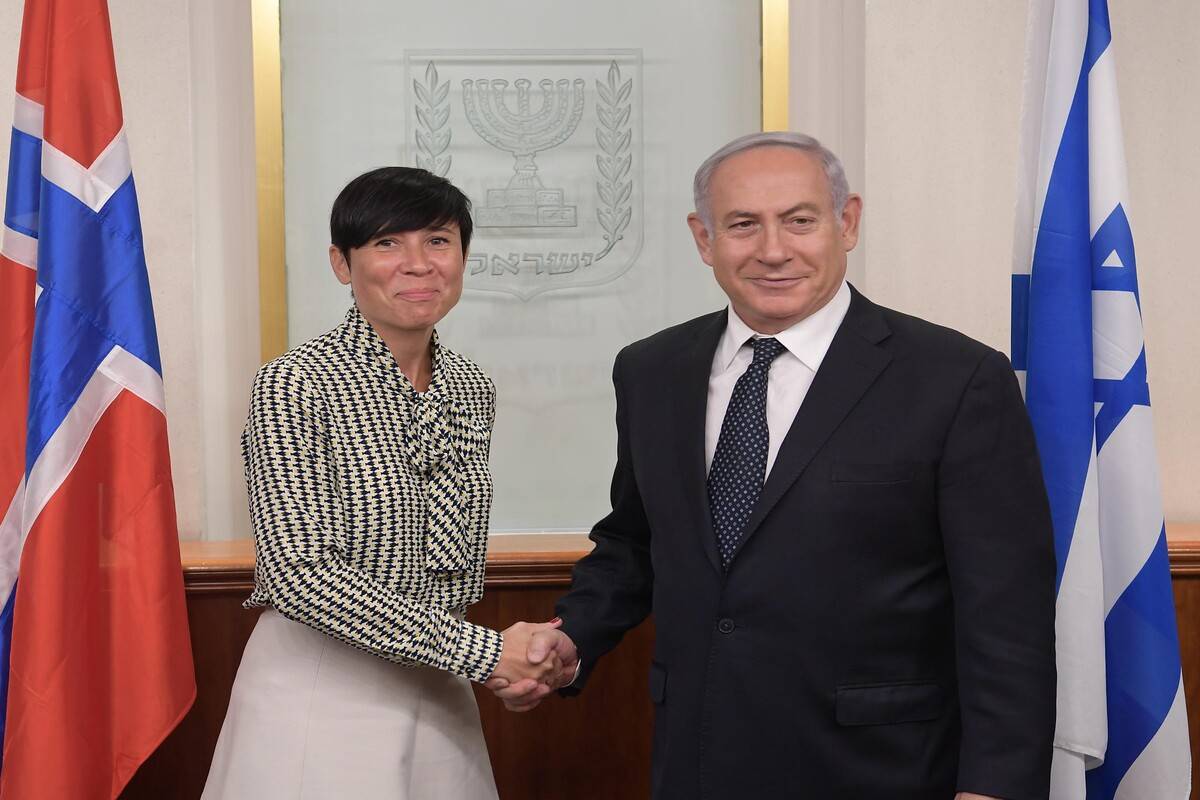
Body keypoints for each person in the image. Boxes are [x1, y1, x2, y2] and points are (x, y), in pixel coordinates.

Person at [490, 133, 1057, 799]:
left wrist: (994, 788)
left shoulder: (955, 380)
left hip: (884, 771)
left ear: (846, 223)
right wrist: (571, 639)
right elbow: (636, 542)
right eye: (742, 225)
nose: (773, 250)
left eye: (799, 220)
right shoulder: (652, 371)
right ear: (704, 239)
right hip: (698, 763)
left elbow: (1007, 618)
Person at [203, 167, 561, 800]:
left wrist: (500, 663)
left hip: (439, 680)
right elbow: (298, 574)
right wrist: (486, 655)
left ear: (463, 257)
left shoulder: (469, 386)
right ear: (342, 264)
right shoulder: (294, 384)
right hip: (323, 692)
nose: (418, 264)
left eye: (438, 241)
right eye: (387, 244)